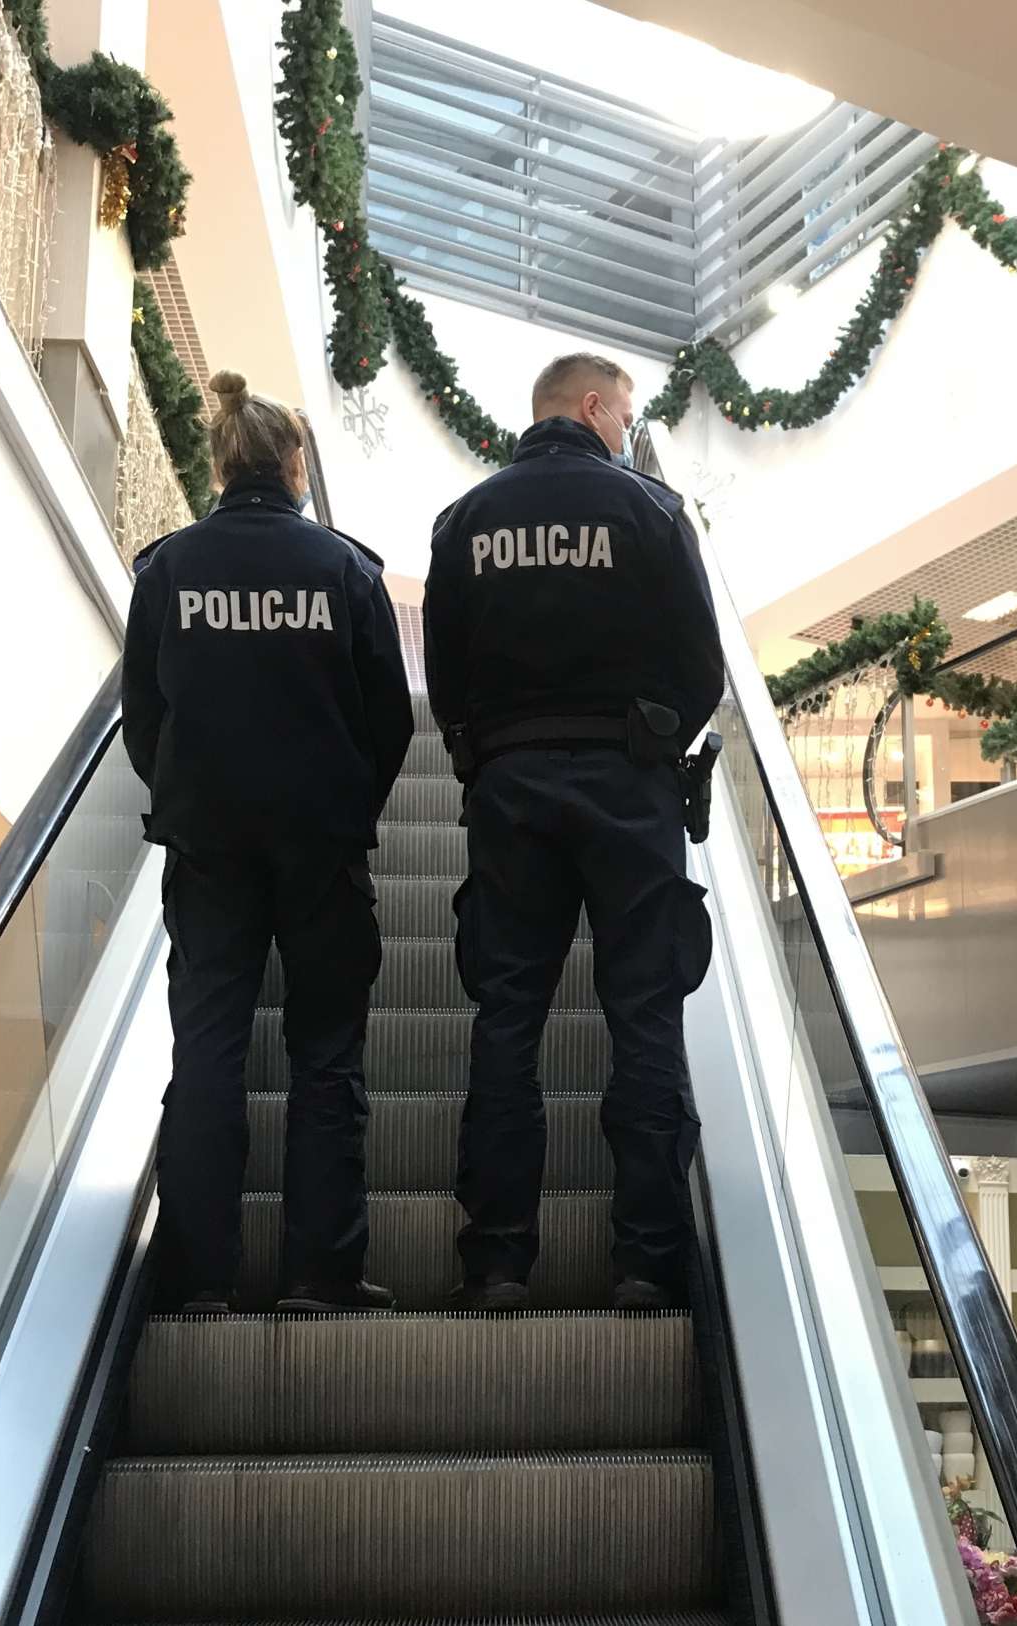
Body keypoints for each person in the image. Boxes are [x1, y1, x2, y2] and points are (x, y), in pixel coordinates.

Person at [424, 352, 725, 1313]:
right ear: (593, 408)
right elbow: (702, 664)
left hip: (511, 789)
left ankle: (497, 1262)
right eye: (627, 416)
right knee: (644, 1015)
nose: (630, 432)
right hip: (629, 788)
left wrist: (483, 756)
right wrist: (652, 744)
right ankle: (647, 1261)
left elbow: (443, 669)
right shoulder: (651, 511)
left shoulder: (465, 522)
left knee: (507, 1018)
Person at [123, 368, 413, 1314]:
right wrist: (349, 805)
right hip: (321, 844)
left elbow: (143, 717)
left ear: (220, 466)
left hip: (207, 847)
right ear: (294, 465)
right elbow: (390, 718)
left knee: (208, 1047)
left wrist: (188, 800)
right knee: (326, 1050)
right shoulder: (345, 570)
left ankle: (199, 1275)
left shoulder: (169, 571)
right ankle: (319, 1272)